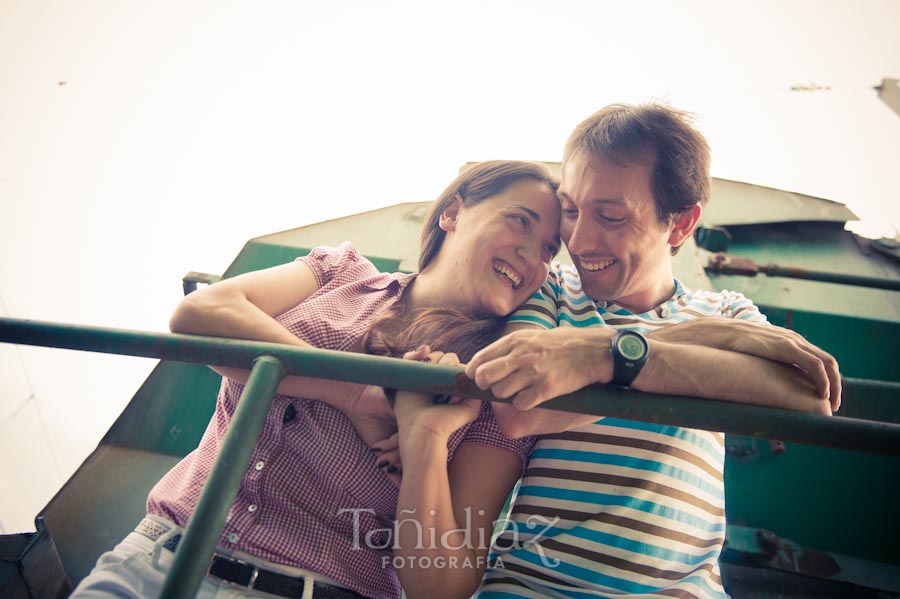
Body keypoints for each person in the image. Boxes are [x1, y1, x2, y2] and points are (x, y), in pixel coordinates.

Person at [69, 160, 563, 599]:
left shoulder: (493, 388)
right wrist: (355, 394)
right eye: (519, 221)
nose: (533, 256)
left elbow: (441, 585)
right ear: (451, 213)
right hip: (154, 562)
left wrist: (425, 439)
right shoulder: (339, 271)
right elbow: (203, 314)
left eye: (548, 249)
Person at [467, 104, 841, 599]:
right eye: (572, 209)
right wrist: (699, 345)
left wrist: (604, 354)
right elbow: (516, 410)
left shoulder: (727, 311)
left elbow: (806, 394)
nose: (577, 241)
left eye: (611, 216)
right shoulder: (550, 291)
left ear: (681, 224)